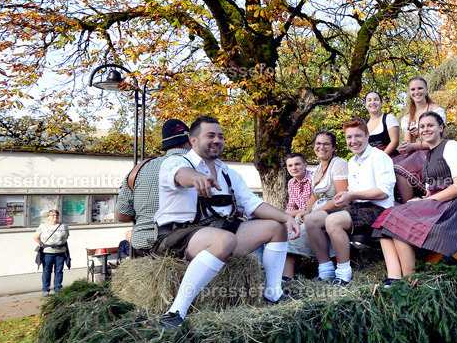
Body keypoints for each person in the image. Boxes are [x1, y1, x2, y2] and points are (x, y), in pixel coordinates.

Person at [153, 116, 299, 328]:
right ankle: (176, 311)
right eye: (210, 135)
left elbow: (252, 203)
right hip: (177, 237)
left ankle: (273, 292)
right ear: (193, 141)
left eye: (220, 136)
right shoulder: (176, 162)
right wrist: (196, 178)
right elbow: (180, 175)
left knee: (276, 227)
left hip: (220, 233)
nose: (217, 140)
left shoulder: (228, 173)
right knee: (224, 240)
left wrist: (286, 217)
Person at [373, 112, 457, 283]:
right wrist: (421, 200)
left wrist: (426, 201)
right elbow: (432, 189)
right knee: (387, 215)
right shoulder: (429, 153)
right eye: (422, 127)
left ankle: (410, 279)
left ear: (441, 127)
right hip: (437, 203)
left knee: (399, 218)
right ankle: (394, 277)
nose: (425, 129)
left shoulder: (451, 146)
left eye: (430, 125)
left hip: (454, 209)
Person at [305, 119, 395, 284]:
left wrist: (351, 195)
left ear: (367, 135)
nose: (354, 141)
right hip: (357, 208)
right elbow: (351, 193)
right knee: (311, 220)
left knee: (333, 220)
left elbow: (384, 192)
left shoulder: (379, 157)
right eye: (349, 137)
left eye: (358, 136)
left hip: (379, 210)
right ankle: (325, 270)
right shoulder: (352, 161)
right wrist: (343, 197)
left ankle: (343, 273)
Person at [114, 119, 193, 257]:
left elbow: (121, 215)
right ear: (191, 140)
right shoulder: (202, 167)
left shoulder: (140, 169)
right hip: (186, 249)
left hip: (144, 252)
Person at [285, 131, 349, 280]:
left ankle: (328, 270)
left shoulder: (338, 164)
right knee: (289, 227)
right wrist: (305, 211)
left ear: (333, 147)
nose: (321, 147)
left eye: (326, 144)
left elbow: (341, 197)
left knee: (304, 226)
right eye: (318, 144)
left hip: (336, 209)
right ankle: (288, 276)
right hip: (318, 209)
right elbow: (315, 195)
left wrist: (313, 213)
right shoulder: (318, 169)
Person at [392, 76, 446, 203]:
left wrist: (415, 145)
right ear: (409, 93)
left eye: (420, 88)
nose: (417, 92)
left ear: (426, 90)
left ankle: (409, 204)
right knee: (391, 165)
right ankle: (398, 202)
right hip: (416, 151)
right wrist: (406, 147)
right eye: (413, 89)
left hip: (433, 151)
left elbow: (439, 140)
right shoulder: (407, 116)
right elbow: (408, 142)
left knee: (400, 168)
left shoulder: (435, 109)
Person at [34, 209, 69, 295]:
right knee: (47, 271)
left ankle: (58, 289)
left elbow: (66, 236)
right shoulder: (43, 226)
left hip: (60, 252)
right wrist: (43, 244)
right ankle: (45, 290)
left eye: (56, 215)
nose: (55, 217)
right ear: (49, 217)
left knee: (59, 271)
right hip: (48, 252)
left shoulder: (63, 226)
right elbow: (36, 238)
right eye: (53, 215)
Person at [364, 91, 400, 155]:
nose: (373, 102)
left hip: (389, 157)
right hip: (370, 159)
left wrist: (381, 158)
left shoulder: (389, 118)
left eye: (376, 99)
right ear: (365, 105)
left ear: (381, 103)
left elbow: (395, 141)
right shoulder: (364, 124)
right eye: (369, 100)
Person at [283, 152, 314, 219]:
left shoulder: (314, 178)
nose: (294, 168)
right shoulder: (291, 183)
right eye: (290, 165)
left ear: (305, 165)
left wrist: (294, 213)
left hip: (315, 216)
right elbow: (291, 206)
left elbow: (315, 206)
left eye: (297, 164)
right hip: (300, 216)